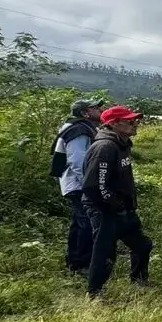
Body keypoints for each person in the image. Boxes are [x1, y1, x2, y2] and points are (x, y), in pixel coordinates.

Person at [81, 105, 153, 300]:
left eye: (135, 120)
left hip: (122, 208)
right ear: (113, 124)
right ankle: (94, 293)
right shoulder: (105, 147)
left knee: (143, 245)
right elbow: (95, 185)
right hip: (104, 209)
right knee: (104, 251)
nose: (135, 123)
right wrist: (113, 205)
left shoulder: (123, 144)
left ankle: (139, 281)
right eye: (129, 121)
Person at [52, 97, 103, 275]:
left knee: (79, 222)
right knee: (86, 224)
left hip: (76, 183)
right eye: (95, 107)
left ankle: (73, 260)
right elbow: (77, 161)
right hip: (78, 184)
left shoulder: (77, 127)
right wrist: (89, 186)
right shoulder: (79, 130)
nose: (99, 110)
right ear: (85, 113)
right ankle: (81, 264)